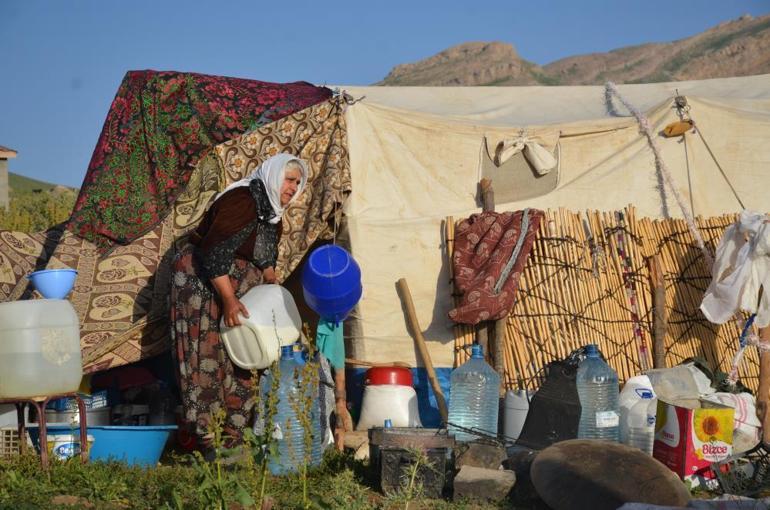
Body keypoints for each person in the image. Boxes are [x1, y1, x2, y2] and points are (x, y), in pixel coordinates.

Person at [170, 153, 308, 445]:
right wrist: (230, 300)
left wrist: (272, 284)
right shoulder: (243, 201)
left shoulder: (271, 214)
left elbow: (263, 257)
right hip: (202, 283)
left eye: (297, 183)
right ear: (274, 175)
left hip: (234, 286)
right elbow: (215, 250)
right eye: (289, 179)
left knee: (242, 352)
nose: (293, 188)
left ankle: (235, 432)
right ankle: (208, 434)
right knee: (206, 350)